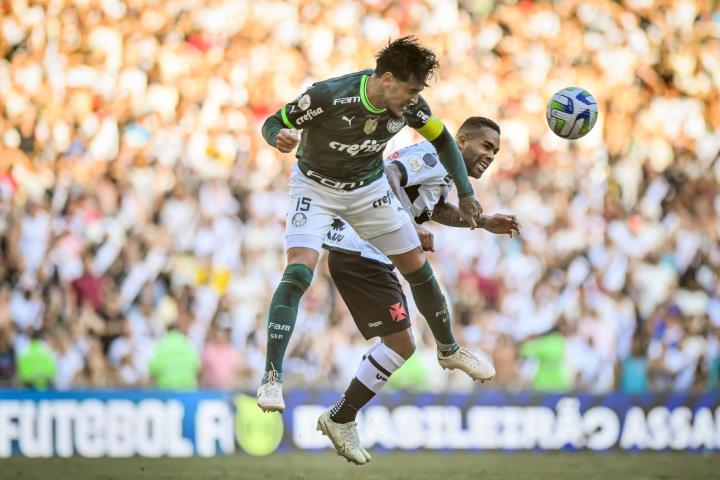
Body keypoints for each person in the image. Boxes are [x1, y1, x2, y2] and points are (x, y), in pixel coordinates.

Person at [258, 36, 489, 412]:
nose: (414, 99)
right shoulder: (328, 97)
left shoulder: (412, 108)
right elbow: (274, 122)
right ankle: (271, 377)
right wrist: (278, 137)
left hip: (368, 188)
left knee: (415, 264)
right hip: (315, 187)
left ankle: (448, 349)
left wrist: (465, 193)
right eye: (410, 90)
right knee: (299, 270)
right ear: (386, 80)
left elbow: (446, 141)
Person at [317, 116, 519, 464]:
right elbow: (388, 174)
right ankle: (448, 348)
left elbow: (436, 208)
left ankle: (340, 416)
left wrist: (483, 222)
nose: (490, 155)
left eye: (496, 151)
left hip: (369, 251)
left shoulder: (441, 173)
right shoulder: (431, 154)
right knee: (419, 290)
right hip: (359, 248)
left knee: (401, 344)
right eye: (485, 146)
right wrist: (407, 223)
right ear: (461, 140)